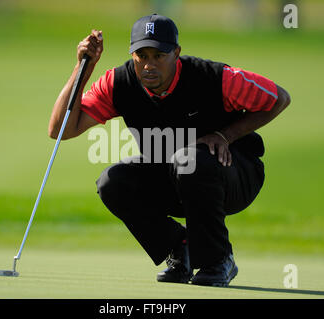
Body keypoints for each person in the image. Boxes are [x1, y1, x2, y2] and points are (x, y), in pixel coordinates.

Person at [49, 14, 291, 287]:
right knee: (113, 182)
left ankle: (217, 260)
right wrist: (83, 68)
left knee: (188, 160)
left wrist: (226, 134)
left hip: (234, 175)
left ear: (176, 53)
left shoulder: (213, 77)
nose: (149, 65)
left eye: (158, 55)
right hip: (173, 176)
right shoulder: (119, 83)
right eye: (141, 55)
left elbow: (278, 98)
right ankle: (181, 247)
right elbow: (61, 130)